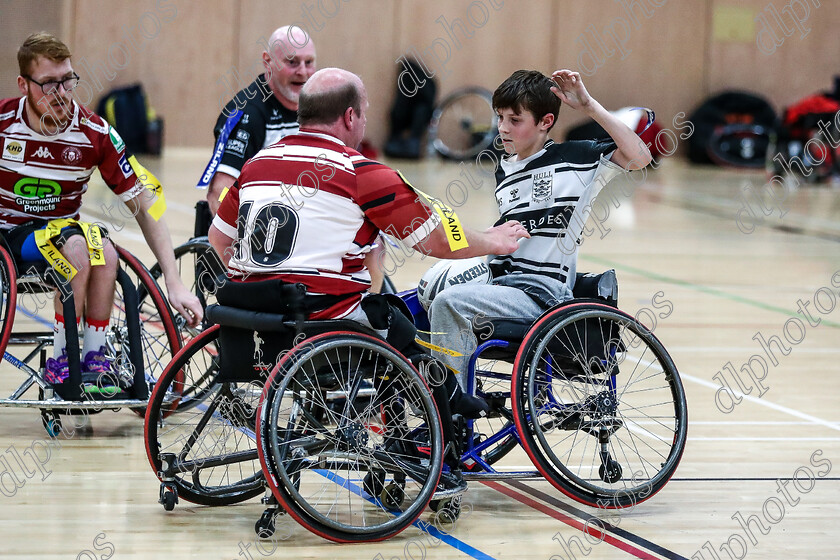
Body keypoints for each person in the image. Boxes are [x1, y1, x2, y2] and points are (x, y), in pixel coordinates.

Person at [208, 67, 529, 416]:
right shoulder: (360, 172)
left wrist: (261, 284)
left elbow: (218, 236)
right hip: (316, 322)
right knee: (393, 316)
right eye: (365, 112)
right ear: (350, 116)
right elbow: (435, 240)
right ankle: (447, 404)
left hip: (246, 317)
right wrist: (493, 241)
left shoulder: (258, 164)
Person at [0, 32, 202, 391]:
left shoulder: (96, 133)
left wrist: (173, 281)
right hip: (8, 243)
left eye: (68, 80)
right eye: (49, 83)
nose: (61, 93)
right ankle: (62, 361)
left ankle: (95, 358)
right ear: (23, 84)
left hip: (63, 241)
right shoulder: (3, 124)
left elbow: (146, 206)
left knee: (104, 250)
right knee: (78, 245)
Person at [428, 69, 653, 378]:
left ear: (545, 122)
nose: (503, 128)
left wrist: (588, 106)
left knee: (448, 302)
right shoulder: (504, 170)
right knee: (422, 296)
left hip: (541, 295)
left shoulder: (576, 159)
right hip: (505, 285)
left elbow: (640, 157)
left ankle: (447, 406)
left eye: (515, 120)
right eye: (500, 118)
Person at [201, 25, 317, 216]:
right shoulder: (246, 113)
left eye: (309, 62)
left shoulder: (319, 107)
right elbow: (220, 193)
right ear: (267, 61)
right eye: (292, 62)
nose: (303, 72)